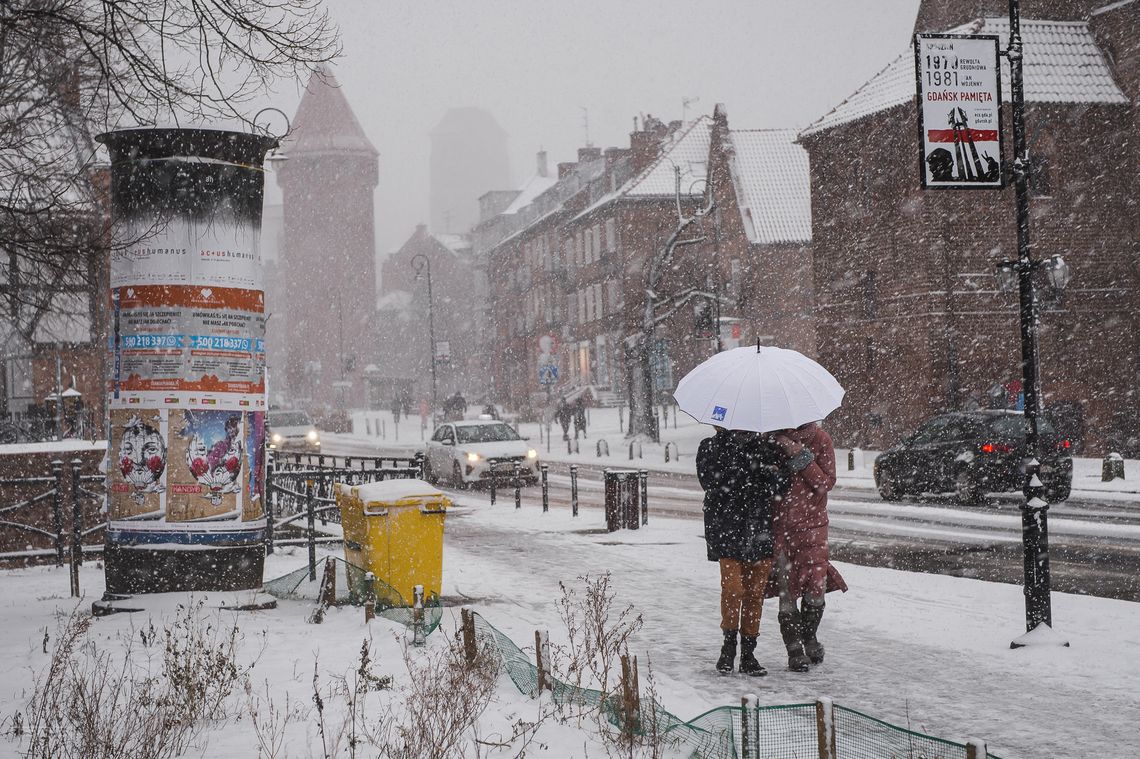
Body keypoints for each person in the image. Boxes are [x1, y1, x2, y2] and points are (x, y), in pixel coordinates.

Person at [697, 427, 790, 676]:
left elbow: (781, 488)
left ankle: (749, 653)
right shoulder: (711, 447)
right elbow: (711, 482)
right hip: (728, 529)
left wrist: (777, 472)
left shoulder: (765, 449)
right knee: (733, 589)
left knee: (754, 594)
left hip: (759, 528)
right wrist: (748, 473)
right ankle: (728, 648)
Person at [768, 422, 848, 672]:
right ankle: (794, 650)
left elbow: (825, 482)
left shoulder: (820, 439)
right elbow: (767, 485)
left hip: (812, 526)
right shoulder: (770, 441)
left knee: (816, 587)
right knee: (787, 589)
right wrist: (776, 466)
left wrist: (799, 456)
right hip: (780, 527)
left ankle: (809, 637)